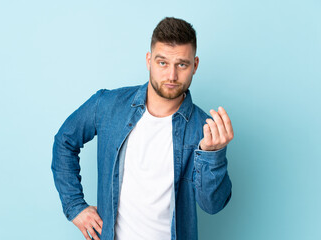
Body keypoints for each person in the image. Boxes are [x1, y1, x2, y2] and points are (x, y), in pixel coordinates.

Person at [52, 17, 233, 240]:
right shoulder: (109, 104)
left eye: (182, 64)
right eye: (162, 63)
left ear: (194, 65)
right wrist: (75, 206)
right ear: (149, 61)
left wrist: (212, 155)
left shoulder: (204, 130)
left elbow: (212, 205)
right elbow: (65, 141)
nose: (171, 76)